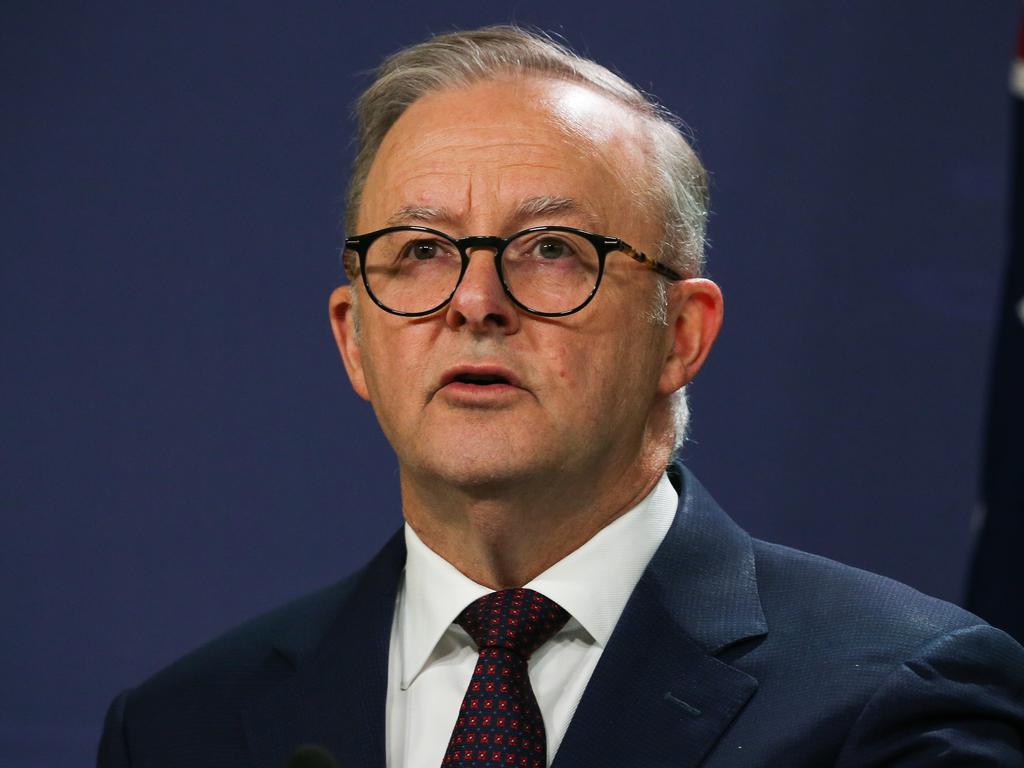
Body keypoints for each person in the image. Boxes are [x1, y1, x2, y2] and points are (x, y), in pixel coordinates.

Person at [98, 25, 1024, 768]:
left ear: (682, 333)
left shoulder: (898, 699)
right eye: (420, 251)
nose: (473, 303)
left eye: (551, 250)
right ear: (353, 339)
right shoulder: (187, 728)